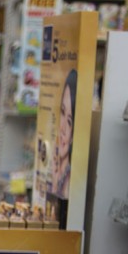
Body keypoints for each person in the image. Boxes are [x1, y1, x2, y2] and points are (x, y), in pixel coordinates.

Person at [50, 69, 78, 200]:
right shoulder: (58, 173)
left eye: (69, 122)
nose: (62, 128)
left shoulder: (70, 182)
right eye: (62, 112)